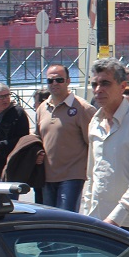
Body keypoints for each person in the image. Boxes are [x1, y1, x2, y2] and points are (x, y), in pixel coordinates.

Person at [80, 58, 129, 241]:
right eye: (95, 84)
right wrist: (85, 215)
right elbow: (92, 176)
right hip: (96, 221)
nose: (98, 89)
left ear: (122, 86)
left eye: (105, 83)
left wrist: (114, 220)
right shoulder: (95, 122)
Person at [37, 63, 96, 212]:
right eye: (50, 80)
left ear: (68, 81)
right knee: (49, 218)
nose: (54, 83)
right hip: (47, 176)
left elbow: (94, 144)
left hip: (72, 176)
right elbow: (37, 138)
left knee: (66, 218)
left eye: (59, 80)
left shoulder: (83, 108)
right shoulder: (42, 108)